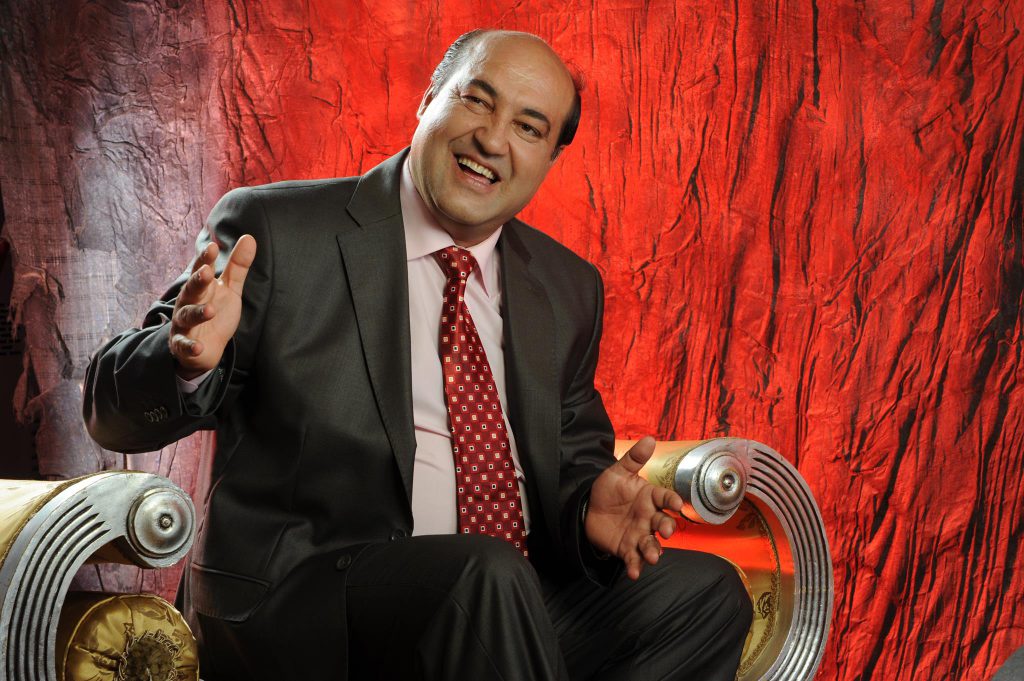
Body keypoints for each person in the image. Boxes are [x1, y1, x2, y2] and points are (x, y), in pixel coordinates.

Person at [84, 29, 752, 680]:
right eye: (477, 100)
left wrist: (586, 510)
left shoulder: (567, 286)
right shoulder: (279, 232)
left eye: (528, 127)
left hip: (503, 594)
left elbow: (574, 457)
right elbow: (109, 414)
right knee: (482, 576)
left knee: (707, 595)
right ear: (428, 100)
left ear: (550, 158)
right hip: (313, 600)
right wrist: (183, 361)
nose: (492, 139)